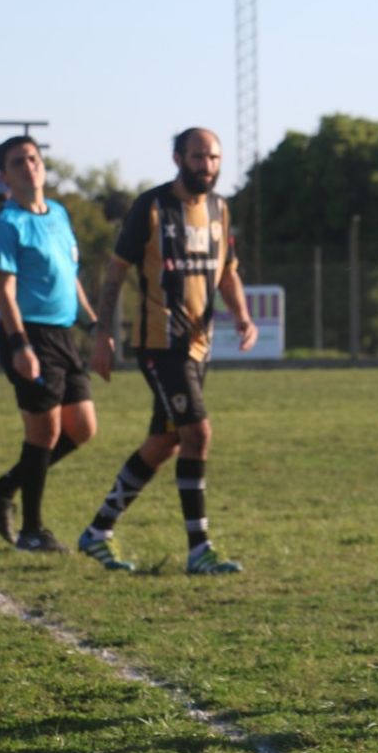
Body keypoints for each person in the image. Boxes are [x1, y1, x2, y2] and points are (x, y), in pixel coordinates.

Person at [77, 127, 257, 575]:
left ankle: (97, 532)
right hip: (160, 344)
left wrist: (242, 315)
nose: (207, 165)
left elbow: (227, 272)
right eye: (198, 157)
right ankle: (200, 549)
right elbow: (116, 272)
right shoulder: (152, 207)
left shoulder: (219, 209)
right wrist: (102, 332)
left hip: (200, 346)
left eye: (214, 157)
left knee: (166, 442)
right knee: (198, 432)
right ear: (178, 158)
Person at [0, 136, 98, 554]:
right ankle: (32, 530)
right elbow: (4, 292)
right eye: (17, 162)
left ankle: (1, 489)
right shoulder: (5, 224)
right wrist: (21, 344)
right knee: (44, 431)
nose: (28, 166)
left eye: (33, 158)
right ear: (4, 176)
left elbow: (70, 276)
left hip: (63, 334)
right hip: (29, 333)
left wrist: (93, 325)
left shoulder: (59, 214)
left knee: (82, 428)